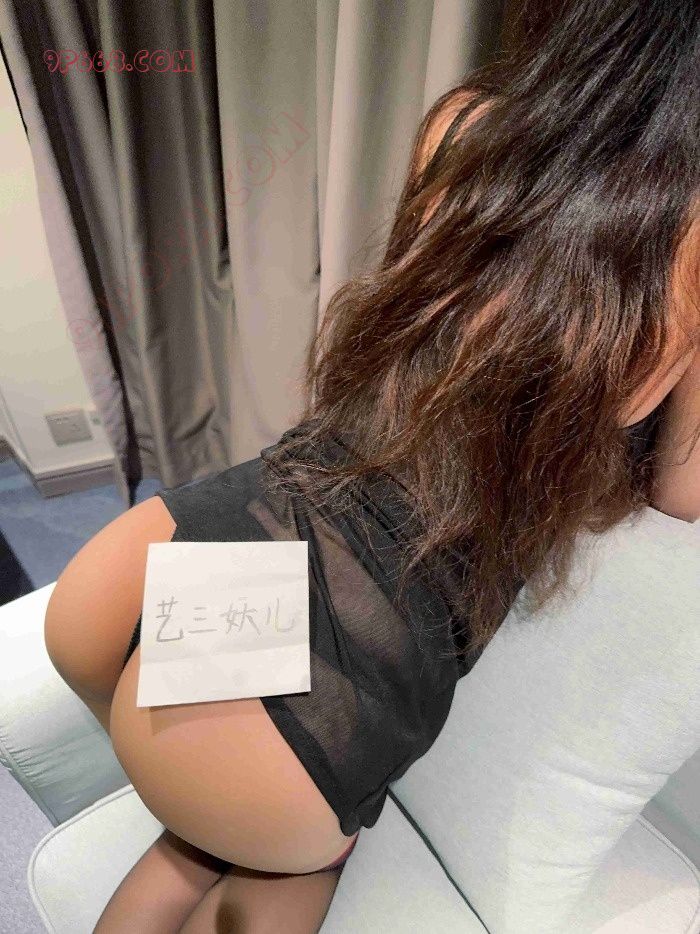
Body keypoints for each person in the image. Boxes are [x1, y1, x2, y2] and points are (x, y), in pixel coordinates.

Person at [43, 1, 699, 931]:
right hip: (301, 724)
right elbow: (681, 492)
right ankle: (219, 813)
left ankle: (204, 813)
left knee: (192, 840)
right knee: (265, 859)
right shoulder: (688, 245)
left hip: (130, 575)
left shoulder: (466, 123)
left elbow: (405, 346)